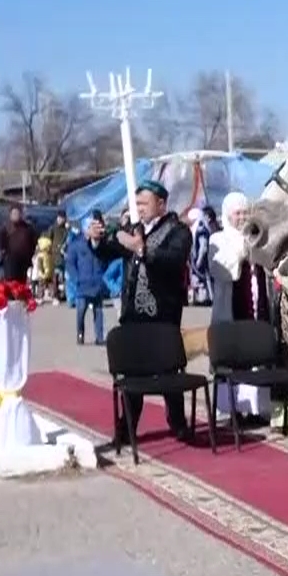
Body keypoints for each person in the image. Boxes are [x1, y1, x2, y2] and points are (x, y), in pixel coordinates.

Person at [97, 181, 195, 443]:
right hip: (133, 314)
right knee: (133, 373)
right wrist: (96, 239)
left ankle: (177, 422)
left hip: (163, 313)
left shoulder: (179, 231)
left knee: (168, 371)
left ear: (161, 204)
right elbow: (108, 251)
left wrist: (141, 249)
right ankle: (126, 427)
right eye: (137, 203)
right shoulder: (133, 229)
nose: (139, 209)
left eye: (144, 203)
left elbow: (172, 261)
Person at [207, 193, 277, 428]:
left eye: (245, 212)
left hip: (257, 305)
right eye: (238, 213)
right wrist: (241, 249)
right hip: (231, 308)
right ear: (228, 215)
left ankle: (257, 408)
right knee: (235, 358)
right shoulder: (218, 238)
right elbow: (221, 269)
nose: (242, 217)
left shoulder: (256, 236)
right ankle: (234, 410)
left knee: (257, 356)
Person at [63, 216, 109, 344]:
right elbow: (70, 264)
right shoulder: (76, 245)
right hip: (82, 284)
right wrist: (76, 278)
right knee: (81, 311)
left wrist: (102, 274)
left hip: (97, 283)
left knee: (98, 311)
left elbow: (105, 259)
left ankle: (99, 337)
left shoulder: (100, 243)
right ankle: (80, 334)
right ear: (85, 229)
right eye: (90, 227)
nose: (93, 229)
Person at [0, 204, 37, 284]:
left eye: (18, 213)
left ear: (21, 214)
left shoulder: (28, 228)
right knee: (11, 283)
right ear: (10, 215)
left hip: (24, 261)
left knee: (21, 284)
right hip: (10, 262)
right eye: (14, 213)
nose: (16, 215)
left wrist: (33, 255)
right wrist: (1, 252)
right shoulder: (5, 228)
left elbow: (34, 242)